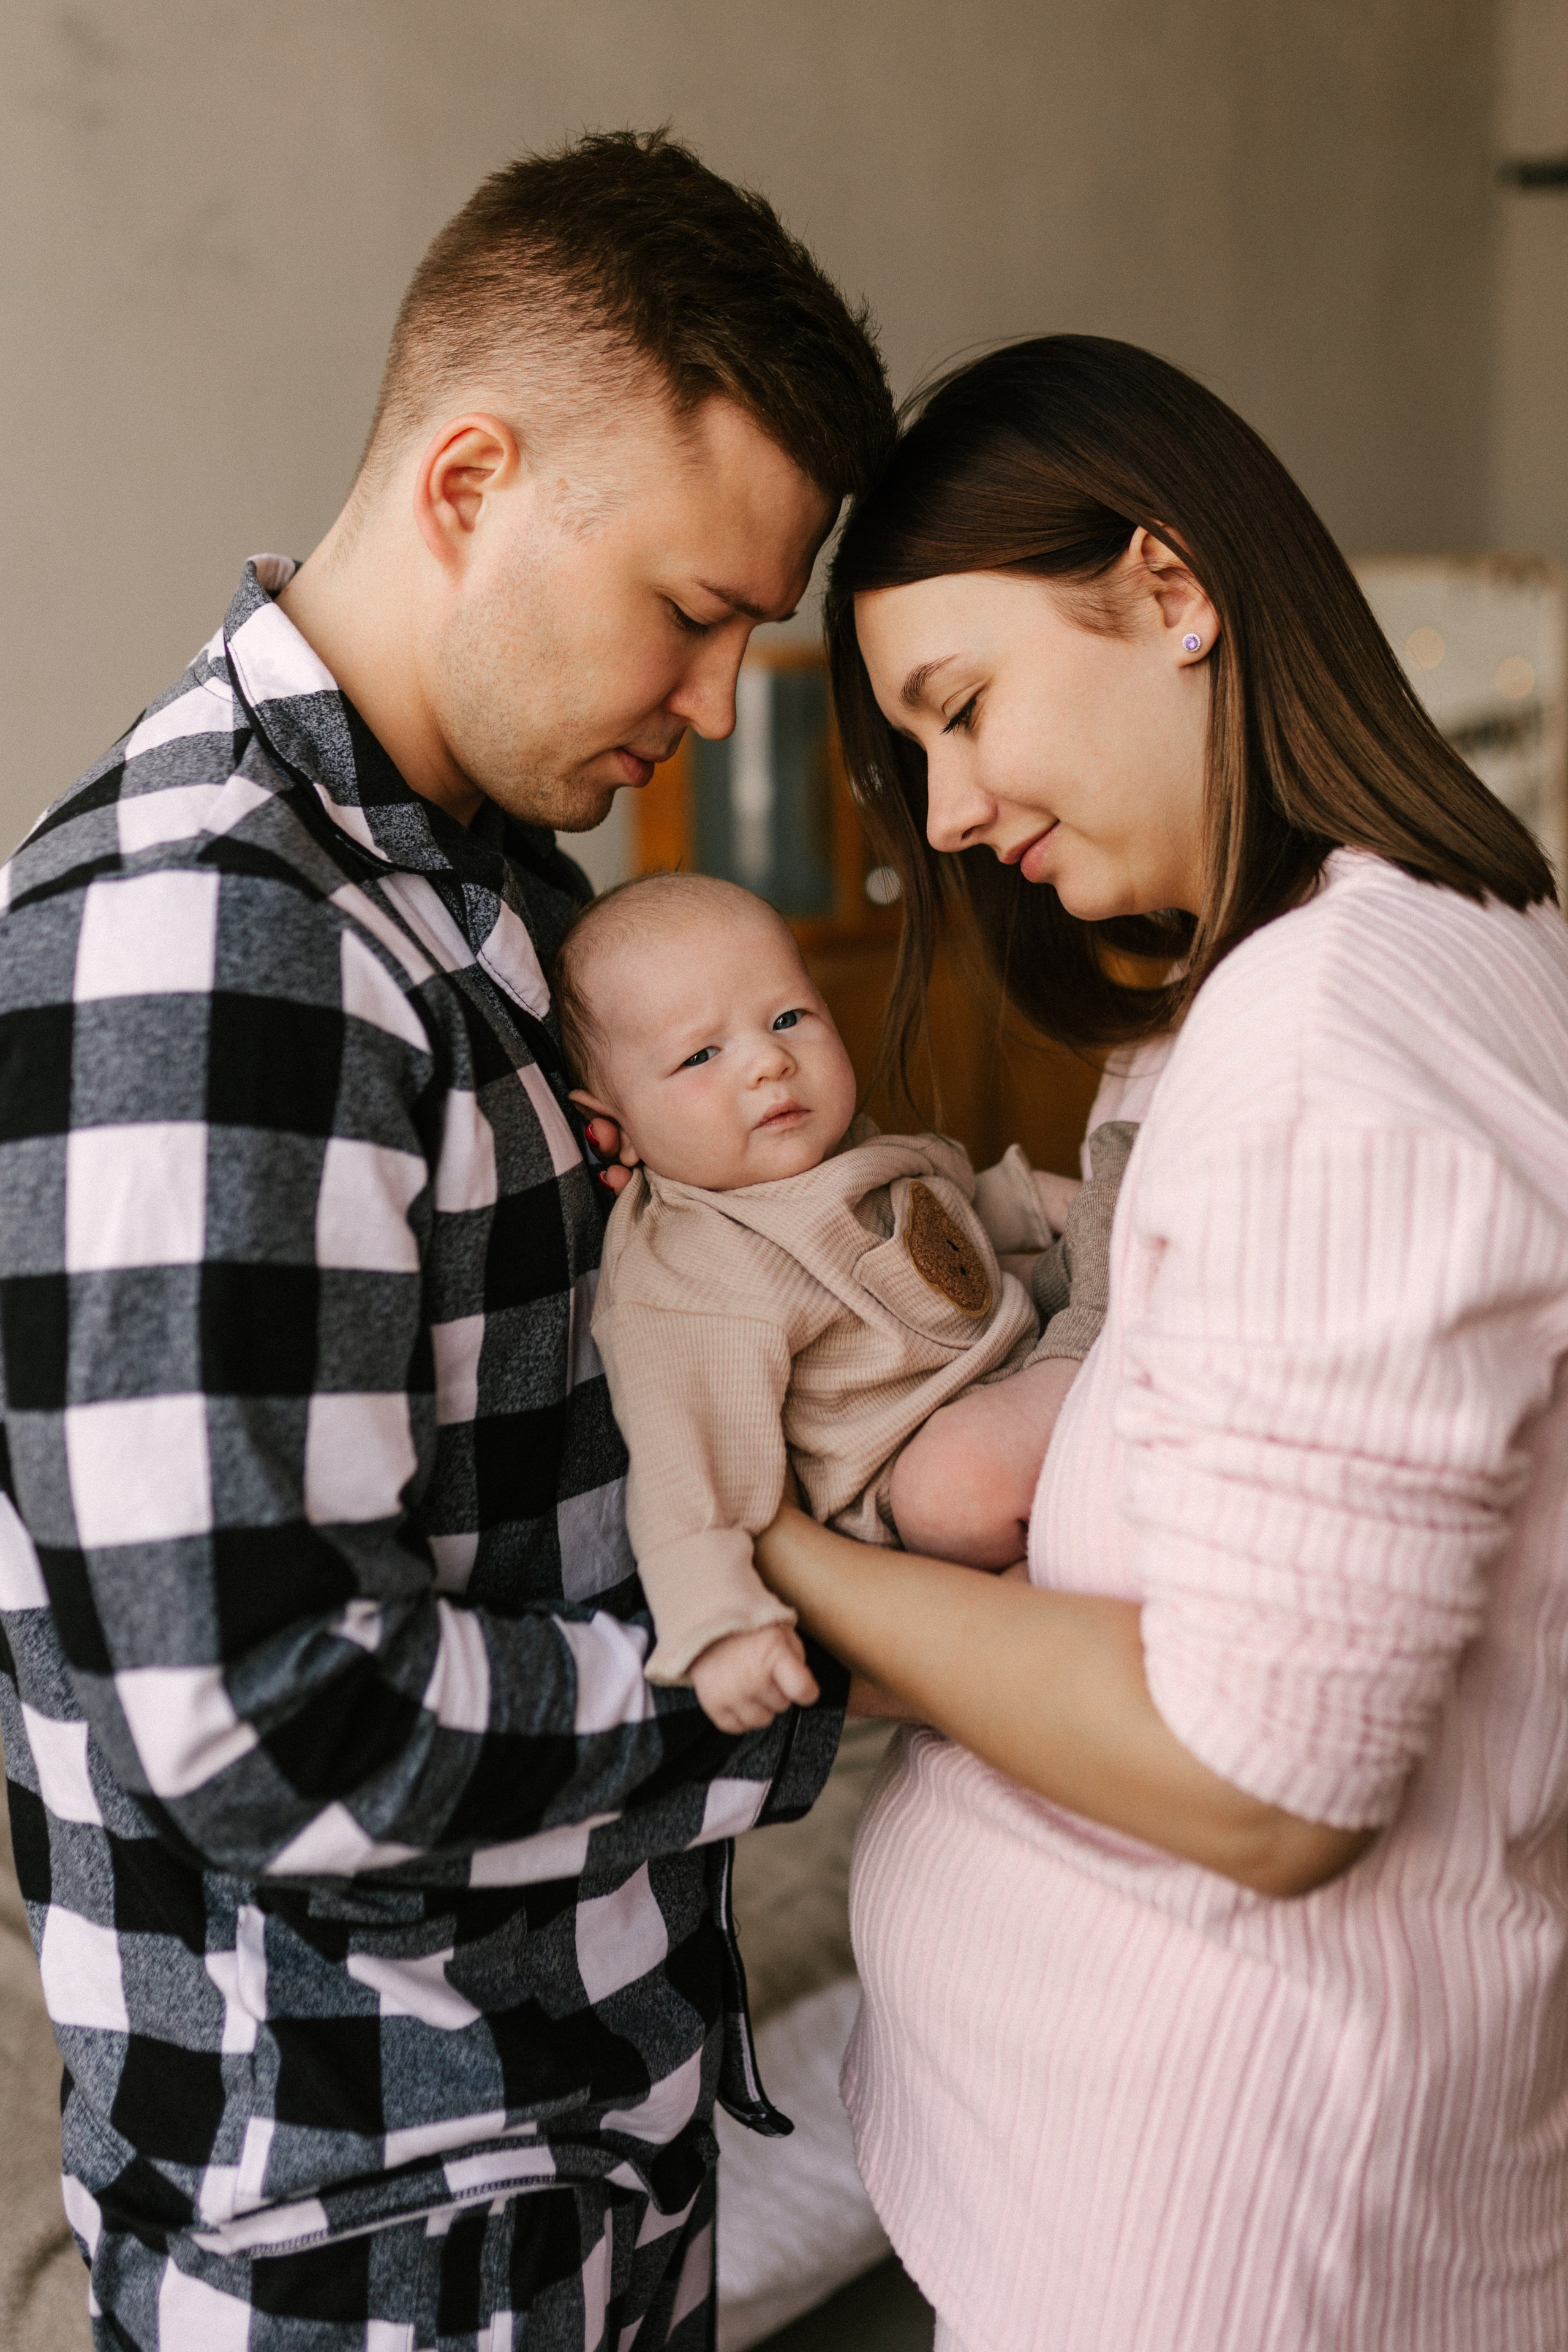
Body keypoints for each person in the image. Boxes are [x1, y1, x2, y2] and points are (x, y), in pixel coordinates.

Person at [0, 132, 895, 2352]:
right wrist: (797, 1691)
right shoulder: (207, 939)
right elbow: (266, 1720)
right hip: (370, 2256)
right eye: (694, 613)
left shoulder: (491, 890)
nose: (711, 706)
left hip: (583, 2164)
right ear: (471, 478)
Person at [750, 335, 1568, 2351]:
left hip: (1227, 2234)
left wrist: (793, 1572)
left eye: (961, 709)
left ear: (1173, 589)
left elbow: (1261, 1778)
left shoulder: (1335, 1040)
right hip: (1124, 2193)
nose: (943, 814)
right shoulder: (1299, 986)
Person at [549, 869, 1128, 1730]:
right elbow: (683, 1464)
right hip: (906, 1488)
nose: (768, 1061)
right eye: (701, 1055)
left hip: (1002, 1361)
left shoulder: (843, 1154)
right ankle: (1103, 1341)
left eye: (788, 1018)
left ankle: (1120, 1265)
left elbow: (947, 1213)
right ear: (614, 1123)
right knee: (960, 1483)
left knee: (1099, 1198)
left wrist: (1044, 1197)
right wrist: (717, 1625)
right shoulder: (691, 1268)